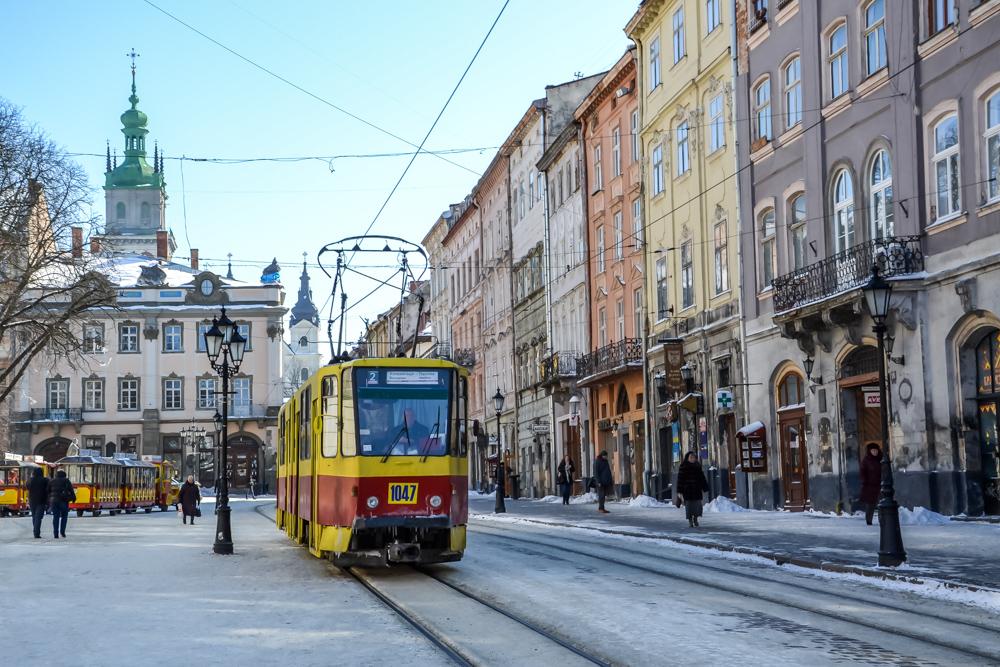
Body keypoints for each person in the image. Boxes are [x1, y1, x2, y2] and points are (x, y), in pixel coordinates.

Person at [676, 451, 709, 527]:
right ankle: (690, 521)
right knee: (689, 507)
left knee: (697, 506)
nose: (692, 458)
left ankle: (696, 519)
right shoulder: (683, 466)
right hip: (687, 491)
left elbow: (702, 478)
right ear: (687, 458)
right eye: (691, 457)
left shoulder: (697, 466)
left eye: (694, 457)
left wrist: (705, 487)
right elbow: (680, 480)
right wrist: (679, 491)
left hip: (697, 490)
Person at [47, 470, 76, 539]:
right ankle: (62, 532)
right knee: (64, 516)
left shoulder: (52, 481)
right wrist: (73, 498)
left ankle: (55, 533)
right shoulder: (66, 481)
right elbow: (71, 490)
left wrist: (49, 500)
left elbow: (47, 491)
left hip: (54, 501)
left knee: (56, 517)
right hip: (64, 501)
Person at [859, 443, 882, 525]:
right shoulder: (866, 460)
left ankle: (882, 520)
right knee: (870, 504)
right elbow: (862, 472)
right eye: (873, 450)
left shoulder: (881, 459)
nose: (875, 452)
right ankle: (869, 520)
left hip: (880, 485)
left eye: (876, 450)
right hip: (870, 486)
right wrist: (864, 481)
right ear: (870, 451)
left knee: (882, 503)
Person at [27, 467, 50, 539]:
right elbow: (49, 489)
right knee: (38, 517)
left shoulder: (30, 480)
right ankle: (36, 533)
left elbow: (27, 487)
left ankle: (35, 531)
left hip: (32, 500)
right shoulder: (45, 480)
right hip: (42, 500)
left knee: (34, 516)